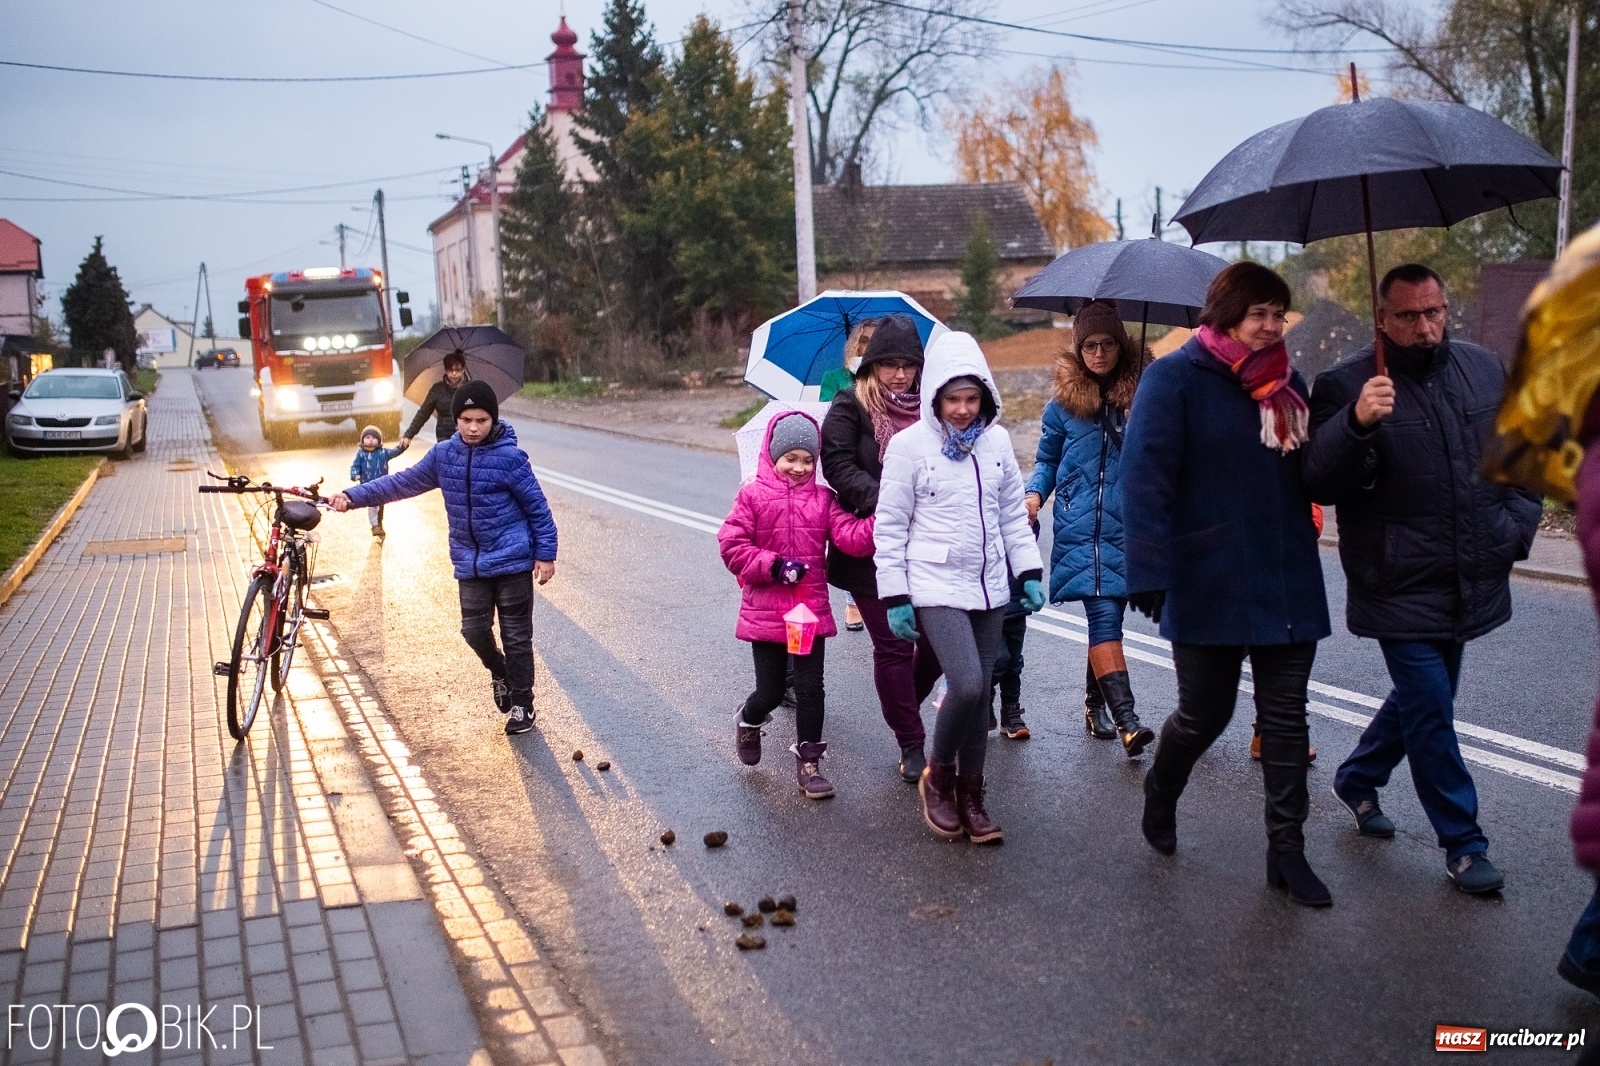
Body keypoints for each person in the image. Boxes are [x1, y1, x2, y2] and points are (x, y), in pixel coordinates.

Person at [1304, 263, 1541, 895]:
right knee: (1433, 708)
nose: (1425, 326)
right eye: (1408, 316)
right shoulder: (1345, 382)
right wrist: (1356, 422)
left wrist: (1516, 526)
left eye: (1434, 311)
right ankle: (1463, 843)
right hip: (1396, 579)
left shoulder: (1482, 368)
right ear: (1381, 318)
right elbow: (1318, 480)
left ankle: (1358, 776)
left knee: (1425, 702)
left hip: (1469, 570)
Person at [1123, 261, 1333, 907]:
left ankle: (1287, 853)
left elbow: (1313, 470)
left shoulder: (1287, 383)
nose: (1270, 327)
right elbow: (1145, 478)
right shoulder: (1173, 379)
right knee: (1204, 715)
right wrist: (1150, 570)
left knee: (1286, 720)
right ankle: (1162, 788)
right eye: (1258, 315)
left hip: (1286, 571)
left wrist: (1356, 432)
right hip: (1208, 575)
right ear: (1225, 316)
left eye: (1279, 314)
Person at [874, 331, 1044, 844]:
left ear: (986, 396)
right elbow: (890, 525)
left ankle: (973, 795)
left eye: (973, 399)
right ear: (935, 398)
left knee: (980, 693)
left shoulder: (994, 443)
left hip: (990, 585)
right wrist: (896, 597)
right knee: (967, 683)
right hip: (935, 584)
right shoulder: (909, 447)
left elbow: (1013, 513)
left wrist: (1029, 570)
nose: (964, 410)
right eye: (954, 399)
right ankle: (938, 775)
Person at [331, 381, 558, 737]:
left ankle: (522, 704)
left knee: (516, 636)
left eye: (481, 420)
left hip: (513, 560)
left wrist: (545, 554)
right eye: (466, 419)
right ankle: (499, 670)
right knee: (473, 631)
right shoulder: (443, 456)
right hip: (470, 563)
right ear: (455, 419)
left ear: (492, 420)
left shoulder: (510, 459)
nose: (473, 427)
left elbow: (538, 509)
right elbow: (399, 483)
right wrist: (352, 496)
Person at [718, 413, 877, 799]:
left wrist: (880, 520)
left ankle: (809, 763)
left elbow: (849, 538)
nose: (800, 467)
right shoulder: (751, 496)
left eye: (808, 459)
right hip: (766, 610)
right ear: (772, 455)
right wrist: (773, 565)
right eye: (790, 457)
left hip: (806, 612)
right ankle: (750, 718)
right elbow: (732, 546)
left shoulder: (823, 499)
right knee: (770, 692)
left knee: (811, 689)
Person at [1024, 299, 1153, 756]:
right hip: (1079, 522)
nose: (1099, 353)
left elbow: (1165, 456)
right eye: (1090, 345)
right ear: (1079, 350)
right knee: (1102, 612)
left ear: (1122, 345)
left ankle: (1093, 700)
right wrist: (1035, 494)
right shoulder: (1062, 405)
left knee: (1109, 615)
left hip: (1127, 523)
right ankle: (1128, 720)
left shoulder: (1146, 394)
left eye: (1108, 344)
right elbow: (1047, 459)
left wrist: (1141, 425)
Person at [821, 315, 944, 783]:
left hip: (929, 545)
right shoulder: (850, 404)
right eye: (888, 364)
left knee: (934, 643)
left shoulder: (934, 408)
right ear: (872, 364)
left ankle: (902, 704)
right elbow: (836, 465)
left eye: (907, 365)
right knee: (893, 647)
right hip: (870, 547)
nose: (898, 374)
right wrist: (888, 499)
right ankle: (911, 743)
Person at [821, 320, 878, 632]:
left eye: (875, 341)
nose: (869, 347)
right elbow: (830, 411)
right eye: (864, 340)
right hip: (848, 452)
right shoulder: (836, 380)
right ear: (855, 344)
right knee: (853, 535)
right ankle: (853, 600)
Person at [987, 518, 1040, 740]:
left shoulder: (1015, 511)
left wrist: (1032, 520)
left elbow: (1029, 541)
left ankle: (1011, 713)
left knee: (1014, 663)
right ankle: (982, 700)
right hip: (990, 604)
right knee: (998, 659)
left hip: (1017, 601)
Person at [349, 424, 408, 537]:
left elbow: (395, 452)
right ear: (362, 440)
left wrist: (403, 446)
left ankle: (379, 523)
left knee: (380, 506)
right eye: (367, 437)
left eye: (374, 438)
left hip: (382, 485)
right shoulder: (361, 454)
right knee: (372, 506)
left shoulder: (383, 453)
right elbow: (355, 466)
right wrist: (355, 474)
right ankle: (375, 525)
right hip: (367, 486)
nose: (371, 440)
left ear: (379, 440)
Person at [402, 352, 468, 447]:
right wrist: (408, 435)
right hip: (444, 438)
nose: (454, 373)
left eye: (458, 370)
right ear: (445, 370)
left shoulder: (470, 389)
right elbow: (423, 413)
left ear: (463, 370)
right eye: (450, 370)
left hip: (466, 437)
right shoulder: (437, 389)